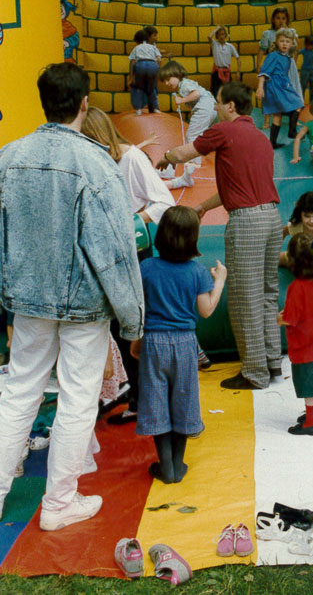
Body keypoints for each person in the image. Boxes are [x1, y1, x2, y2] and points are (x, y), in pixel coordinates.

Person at [0, 63, 143, 530]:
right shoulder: (97, 164)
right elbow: (116, 254)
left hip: (26, 298)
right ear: (85, 103)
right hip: (84, 305)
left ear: (45, 101)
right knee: (77, 398)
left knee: (18, 392)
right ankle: (59, 503)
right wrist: (133, 321)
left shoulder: (9, 157)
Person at [157, 82, 282, 390]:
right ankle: (272, 361)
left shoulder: (224, 131)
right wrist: (202, 205)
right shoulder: (261, 138)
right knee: (267, 292)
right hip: (271, 217)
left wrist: (167, 156)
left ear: (230, 107)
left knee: (244, 297)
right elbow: (241, 187)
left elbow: (186, 151)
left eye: (218, 104)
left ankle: (254, 372)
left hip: (247, 223)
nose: (214, 109)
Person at [81, 106, 175, 425]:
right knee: (115, 329)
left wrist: (134, 222)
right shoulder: (95, 163)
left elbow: (164, 201)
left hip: (132, 250)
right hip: (104, 249)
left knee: (135, 328)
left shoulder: (130, 158)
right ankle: (133, 394)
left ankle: (148, 400)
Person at [131, 206, 226, 483]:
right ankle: (178, 464)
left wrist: (136, 341)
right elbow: (206, 310)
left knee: (156, 401)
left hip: (153, 341)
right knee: (183, 399)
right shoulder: (196, 272)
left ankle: (166, 467)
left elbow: (139, 309)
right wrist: (219, 281)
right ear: (193, 238)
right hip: (185, 343)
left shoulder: (146, 267)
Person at [277, 233, 313, 436]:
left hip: (306, 348)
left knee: (308, 386)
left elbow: (291, 318)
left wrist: (279, 318)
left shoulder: (296, 287)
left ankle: (311, 423)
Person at [158, 60, 217, 189]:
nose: (167, 84)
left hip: (205, 108)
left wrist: (182, 100)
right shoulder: (184, 84)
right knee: (199, 133)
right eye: (165, 81)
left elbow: (197, 93)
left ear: (177, 75)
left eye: (169, 79)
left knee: (191, 135)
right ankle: (196, 158)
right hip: (211, 107)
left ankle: (195, 161)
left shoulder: (184, 85)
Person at [256, 28, 304, 149]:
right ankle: (292, 131)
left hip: (283, 85)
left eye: (287, 41)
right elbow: (264, 72)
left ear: (291, 43)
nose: (284, 44)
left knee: (278, 114)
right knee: (298, 103)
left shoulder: (287, 57)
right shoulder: (273, 55)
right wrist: (260, 87)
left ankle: (272, 142)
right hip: (275, 87)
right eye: (282, 41)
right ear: (277, 42)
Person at [258, 7, 302, 129]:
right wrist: (259, 66)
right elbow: (261, 51)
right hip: (273, 66)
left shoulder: (291, 31)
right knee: (269, 92)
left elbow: (298, 45)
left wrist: (287, 29)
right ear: (273, 19)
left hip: (288, 64)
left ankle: (294, 119)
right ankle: (267, 120)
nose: (280, 21)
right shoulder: (268, 33)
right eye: (278, 18)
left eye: (283, 18)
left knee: (293, 90)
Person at [128, 29, 162, 115]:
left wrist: (132, 77)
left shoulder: (136, 48)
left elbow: (132, 62)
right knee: (152, 88)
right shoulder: (153, 47)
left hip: (141, 64)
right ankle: (155, 108)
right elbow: (159, 59)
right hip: (152, 65)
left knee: (138, 88)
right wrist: (158, 71)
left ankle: (139, 109)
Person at [209, 25, 240, 99]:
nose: (221, 36)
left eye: (223, 34)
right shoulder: (215, 44)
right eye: (219, 34)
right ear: (217, 36)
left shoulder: (230, 46)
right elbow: (209, 37)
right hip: (217, 72)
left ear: (225, 35)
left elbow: (238, 59)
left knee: (228, 93)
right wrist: (216, 29)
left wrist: (238, 71)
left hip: (227, 72)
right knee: (216, 94)